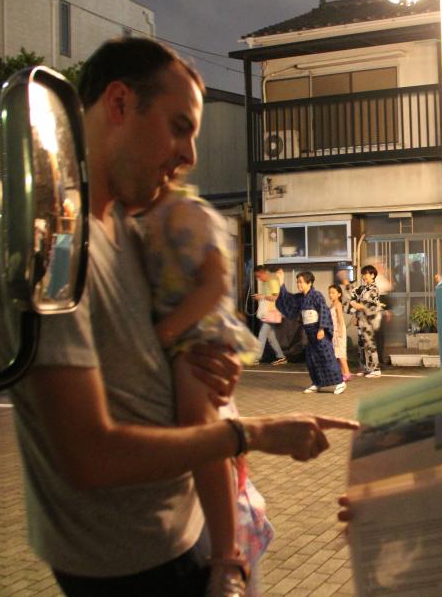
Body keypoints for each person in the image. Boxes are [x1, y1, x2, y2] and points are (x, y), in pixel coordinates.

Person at [0, 37, 358, 597]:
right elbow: (87, 454)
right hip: (130, 564)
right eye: (179, 126)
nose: (191, 156)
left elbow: (148, 351)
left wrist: (201, 364)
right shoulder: (48, 247)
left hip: (186, 533)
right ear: (119, 103)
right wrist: (248, 433)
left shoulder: (131, 233)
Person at [139, 178, 271, 593]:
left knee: (203, 431)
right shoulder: (135, 219)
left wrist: (162, 334)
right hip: (185, 333)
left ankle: (226, 556)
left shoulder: (186, 213)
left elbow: (215, 283)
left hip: (199, 335)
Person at [276, 271, 346, 394]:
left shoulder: (317, 295)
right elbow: (287, 299)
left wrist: (321, 329)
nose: (299, 284)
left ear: (309, 283)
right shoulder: (300, 298)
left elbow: (324, 311)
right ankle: (316, 383)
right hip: (308, 333)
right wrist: (281, 282)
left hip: (319, 331)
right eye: (298, 282)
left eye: (301, 282)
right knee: (311, 359)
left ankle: (340, 382)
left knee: (327, 357)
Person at [349, 265, 384, 378]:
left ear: (373, 275)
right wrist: (355, 309)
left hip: (369, 320)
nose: (364, 276)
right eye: (363, 274)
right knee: (362, 345)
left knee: (370, 344)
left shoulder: (374, 289)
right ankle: (366, 368)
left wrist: (357, 305)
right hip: (361, 319)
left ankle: (376, 368)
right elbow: (353, 294)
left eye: (366, 274)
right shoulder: (363, 288)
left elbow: (371, 305)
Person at [250, 265, 287, 366]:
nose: (258, 278)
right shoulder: (266, 282)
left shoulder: (272, 281)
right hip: (268, 313)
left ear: (263, 272)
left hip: (272, 312)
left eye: (258, 276)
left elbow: (275, 297)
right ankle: (281, 357)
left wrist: (262, 296)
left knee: (262, 334)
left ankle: (257, 358)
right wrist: (261, 297)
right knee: (271, 337)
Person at [328, 284, 353, 382]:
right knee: (337, 353)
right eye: (330, 293)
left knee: (341, 353)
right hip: (334, 330)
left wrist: (340, 332)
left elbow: (340, 319)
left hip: (338, 330)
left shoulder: (338, 304)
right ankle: (343, 373)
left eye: (333, 293)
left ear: (339, 294)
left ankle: (347, 373)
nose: (331, 295)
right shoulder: (332, 304)